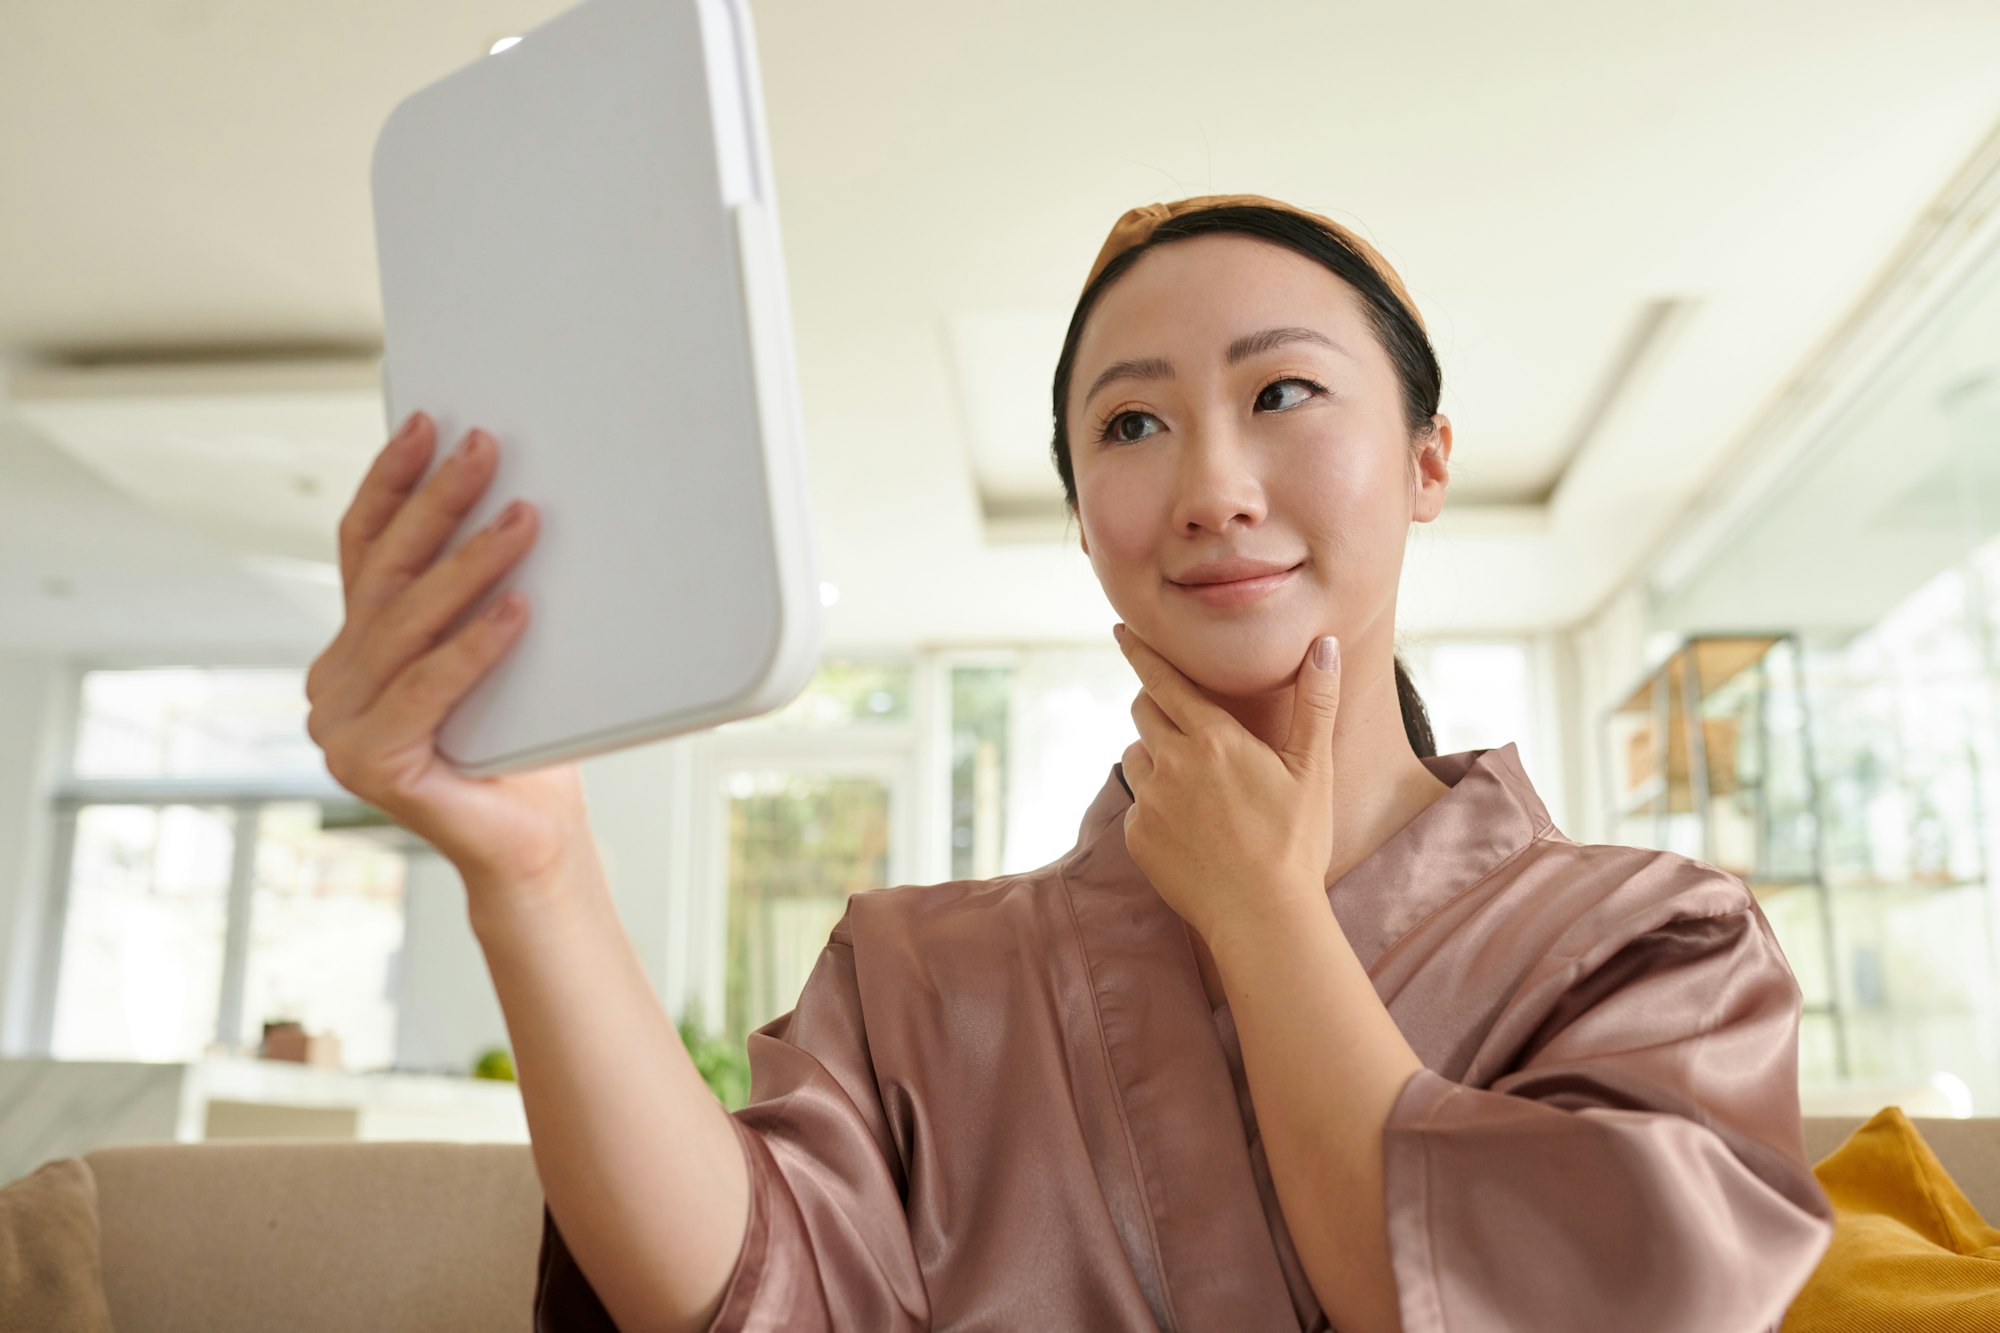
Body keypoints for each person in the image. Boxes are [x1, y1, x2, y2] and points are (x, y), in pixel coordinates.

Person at [308, 194, 1836, 1333]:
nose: (1212, 487)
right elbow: (754, 1289)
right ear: (1086, 520)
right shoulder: (911, 972)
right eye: (1132, 423)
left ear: (1429, 459)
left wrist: (1263, 912)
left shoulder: (1656, 941)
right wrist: (534, 870)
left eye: (1282, 394)